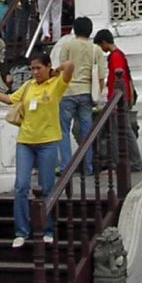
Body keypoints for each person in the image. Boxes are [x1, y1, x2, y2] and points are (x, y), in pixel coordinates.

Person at [0, 53, 74, 248]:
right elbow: (8, 99)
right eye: (32, 68)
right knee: (21, 185)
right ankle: (21, 230)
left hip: (48, 141)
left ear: (47, 67)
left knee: (46, 187)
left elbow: (71, 65)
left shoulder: (56, 85)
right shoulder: (29, 86)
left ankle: (46, 228)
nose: (35, 72)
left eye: (39, 68)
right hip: (25, 141)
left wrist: (57, 70)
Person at [57, 17, 104, 176]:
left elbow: (63, 68)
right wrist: (98, 94)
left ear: (74, 30)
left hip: (68, 91)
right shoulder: (95, 49)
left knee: (63, 130)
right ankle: (87, 167)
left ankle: (65, 166)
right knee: (86, 132)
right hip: (86, 92)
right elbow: (101, 77)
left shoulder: (67, 45)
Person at [93, 29, 142, 172]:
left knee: (121, 131)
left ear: (104, 42)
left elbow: (118, 79)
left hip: (118, 99)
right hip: (121, 97)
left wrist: (116, 99)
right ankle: (131, 161)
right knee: (124, 131)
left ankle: (123, 163)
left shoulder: (115, 57)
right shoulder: (118, 55)